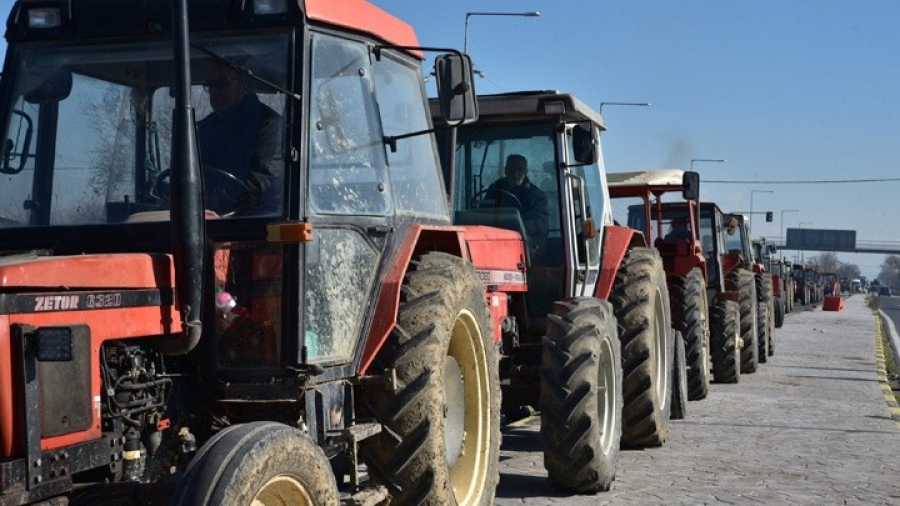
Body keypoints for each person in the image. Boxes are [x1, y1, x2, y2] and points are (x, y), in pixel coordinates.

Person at [197, 62, 282, 215]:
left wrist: (200, 202)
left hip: (255, 222)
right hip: (205, 219)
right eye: (210, 85)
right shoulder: (203, 128)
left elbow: (261, 185)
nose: (215, 90)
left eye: (222, 82)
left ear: (244, 83)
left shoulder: (269, 125)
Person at [485, 154, 549, 257]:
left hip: (529, 238)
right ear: (506, 171)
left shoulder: (537, 195)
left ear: (525, 172)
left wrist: (517, 227)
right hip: (497, 235)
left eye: (520, 170)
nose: (515, 173)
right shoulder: (495, 189)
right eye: (511, 170)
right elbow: (484, 213)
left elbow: (540, 223)